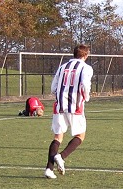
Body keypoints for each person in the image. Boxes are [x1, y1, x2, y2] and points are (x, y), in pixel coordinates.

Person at [44, 44, 93, 179]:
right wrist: (86, 97)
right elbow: (85, 84)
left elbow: (53, 87)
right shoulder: (86, 68)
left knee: (57, 137)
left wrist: (59, 94)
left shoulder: (62, 67)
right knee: (80, 136)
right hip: (75, 106)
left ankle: (49, 169)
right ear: (86, 55)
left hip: (59, 105)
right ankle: (61, 156)